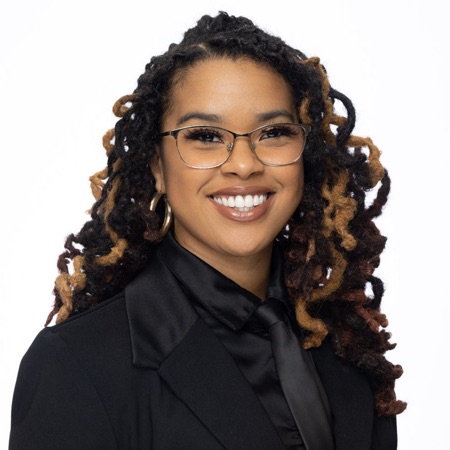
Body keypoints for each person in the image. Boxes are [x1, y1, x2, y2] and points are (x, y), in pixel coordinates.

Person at [9, 12, 406, 450]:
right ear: (157, 167)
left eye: (274, 132)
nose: (244, 164)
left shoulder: (350, 347)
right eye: (205, 136)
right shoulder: (76, 365)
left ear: (306, 154)